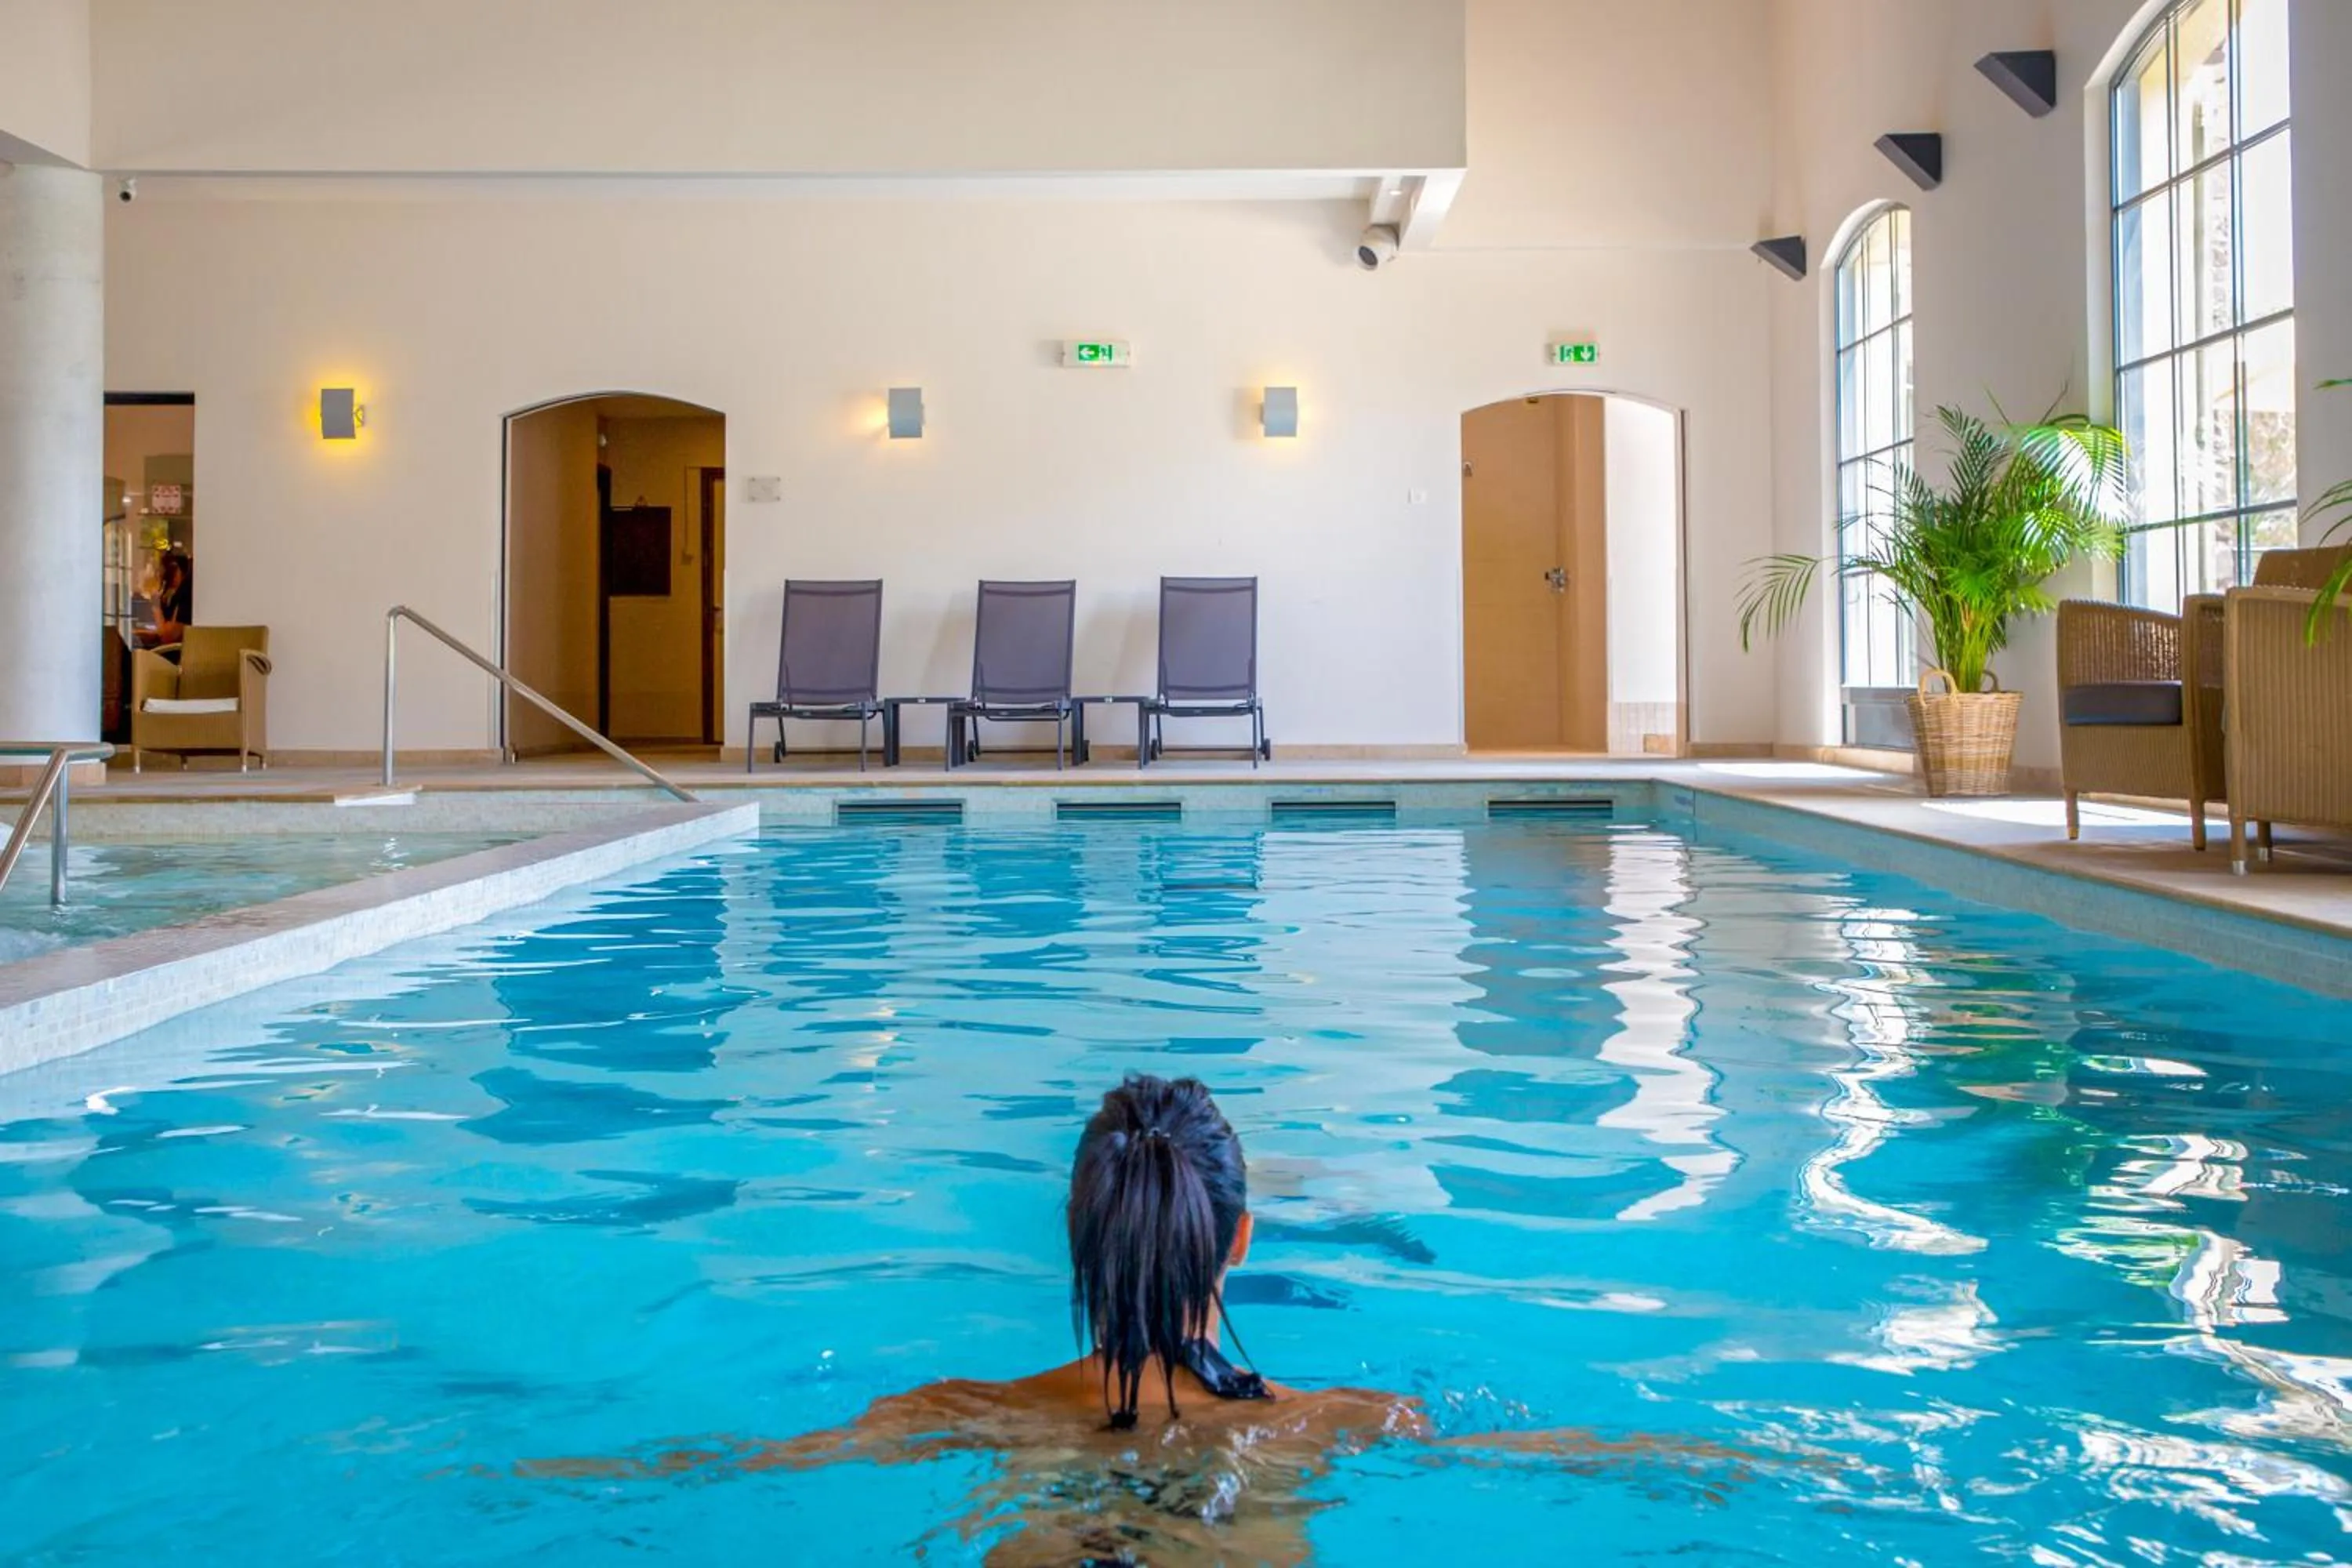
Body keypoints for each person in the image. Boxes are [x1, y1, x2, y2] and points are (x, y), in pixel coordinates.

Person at [524, 1075, 1768, 1563]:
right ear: (1239, 1239)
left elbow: (721, 1475)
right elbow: (1550, 1464)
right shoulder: (1344, 1423)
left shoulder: (962, 1415)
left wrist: (548, 1468)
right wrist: (1712, 1459)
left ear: (1080, 1239)